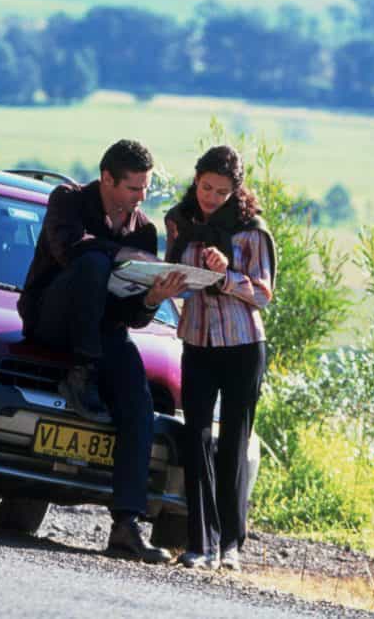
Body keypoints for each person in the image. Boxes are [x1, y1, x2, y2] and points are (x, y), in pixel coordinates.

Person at [18, 138, 186, 564]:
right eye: (133, 187)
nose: (141, 197)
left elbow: (133, 317)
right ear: (107, 178)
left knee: (137, 397)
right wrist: (119, 253)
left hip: (106, 328)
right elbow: (70, 250)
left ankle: (126, 526)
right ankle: (84, 369)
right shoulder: (69, 201)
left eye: (146, 188)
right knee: (92, 262)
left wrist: (152, 298)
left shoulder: (144, 229)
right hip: (51, 319)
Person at [162, 145, 275, 572]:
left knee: (232, 443)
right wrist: (169, 285)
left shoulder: (252, 231)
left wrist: (226, 274)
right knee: (195, 439)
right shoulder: (178, 222)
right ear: (195, 180)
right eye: (206, 187)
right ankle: (199, 543)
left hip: (243, 346)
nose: (211, 197)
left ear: (236, 191)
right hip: (196, 341)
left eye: (221, 192)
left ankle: (230, 545)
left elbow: (263, 293)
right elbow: (173, 278)